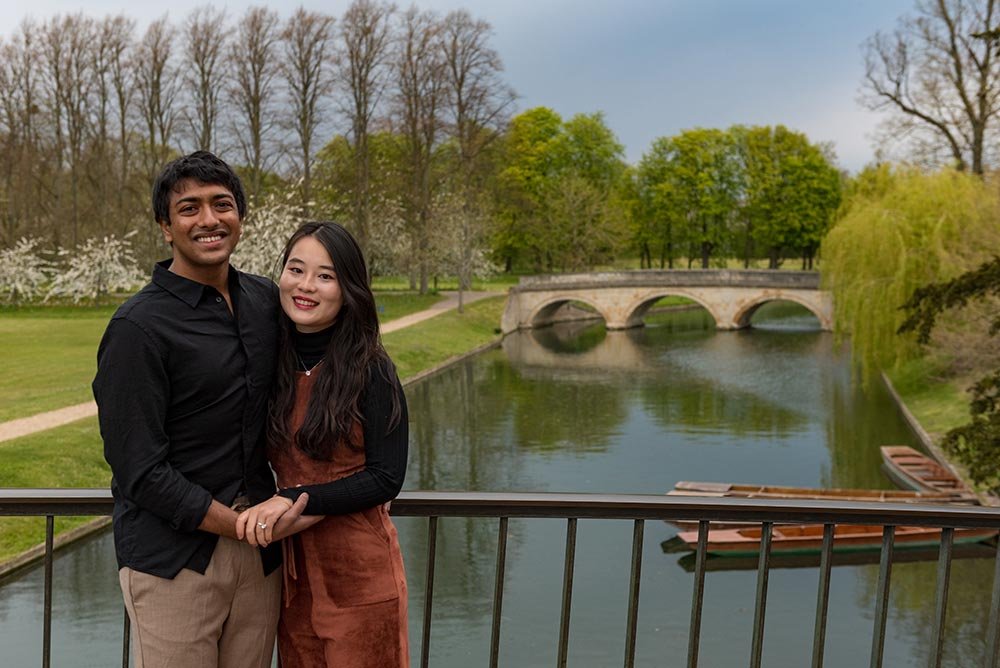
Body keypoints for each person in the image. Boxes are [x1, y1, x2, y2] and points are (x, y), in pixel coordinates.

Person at [93, 150, 315, 668]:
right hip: (174, 562)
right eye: (189, 208)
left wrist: (361, 481)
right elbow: (140, 469)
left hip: (260, 558)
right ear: (166, 227)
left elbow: (324, 377)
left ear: (240, 215)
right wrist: (235, 525)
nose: (209, 220)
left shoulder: (266, 301)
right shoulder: (137, 330)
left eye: (222, 204)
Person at [235, 221, 410, 668]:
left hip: (359, 573)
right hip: (292, 575)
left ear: (348, 289)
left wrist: (293, 498)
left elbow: (386, 477)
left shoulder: (371, 369)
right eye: (296, 270)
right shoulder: (271, 364)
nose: (306, 286)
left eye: (325, 275)